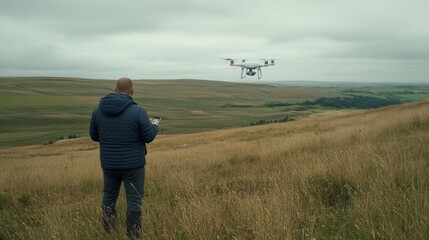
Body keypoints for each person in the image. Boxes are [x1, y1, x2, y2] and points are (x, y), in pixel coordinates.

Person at [89, 77, 159, 239]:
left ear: (115, 90)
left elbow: (94, 136)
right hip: (133, 165)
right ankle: (133, 236)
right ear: (132, 92)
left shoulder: (97, 111)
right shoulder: (138, 111)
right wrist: (154, 127)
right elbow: (148, 137)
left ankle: (109, 232)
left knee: (108, 197)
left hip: (109, 163)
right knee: (134, 200)